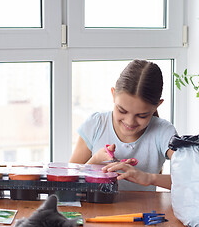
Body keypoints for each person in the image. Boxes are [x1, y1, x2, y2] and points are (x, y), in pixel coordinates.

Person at [69, 59, 177, 191]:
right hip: (96, 210)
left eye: (142, 115)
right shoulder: (96, 125)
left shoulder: (163, 132)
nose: (130, 122)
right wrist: (95, 161)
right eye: (122, 111)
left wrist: (148, 178)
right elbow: (68, 183)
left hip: (144, 211)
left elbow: (191, 180)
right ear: (113, 95)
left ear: (157, 106)